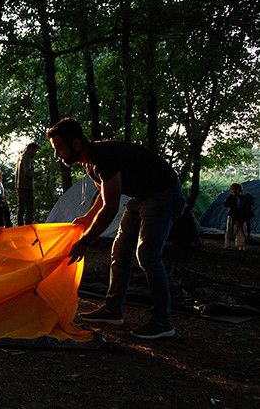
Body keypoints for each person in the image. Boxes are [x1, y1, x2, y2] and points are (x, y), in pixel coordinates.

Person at [46, 118, 185, 339]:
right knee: (120, 251)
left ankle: (163, 321)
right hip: (141, 197)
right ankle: (112, 310)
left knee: (147, 254)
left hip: (163, 194)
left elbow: (110, 209)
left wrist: (85, 241)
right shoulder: (90, 164)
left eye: (59, 148)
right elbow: (102, 200)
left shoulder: (103, 158)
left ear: (75, 144)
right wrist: (85, 219)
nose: (57, 155)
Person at [15, 143, 40, 226]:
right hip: (27, 187)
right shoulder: (28, 158)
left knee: (21, 209)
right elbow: (28, 172)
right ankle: (29, 227)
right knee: (30, 209)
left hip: (19, 186)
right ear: (31, 149)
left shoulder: (20, 158)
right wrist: (36, 174)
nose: (35, 153)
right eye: (35, 151)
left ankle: (20, 226)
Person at [223, 183, 254, 251]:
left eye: (236, 189)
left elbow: (250, 204)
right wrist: (228, 199)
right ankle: (228, 244)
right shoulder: (231, 197)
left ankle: (241, 245)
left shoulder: (243, 198)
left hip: (241, 216)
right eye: (233, 189)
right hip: (232, 215)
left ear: (240, 190)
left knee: (241, 230)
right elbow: (225, 204)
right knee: (230, 230)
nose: (234, 190)